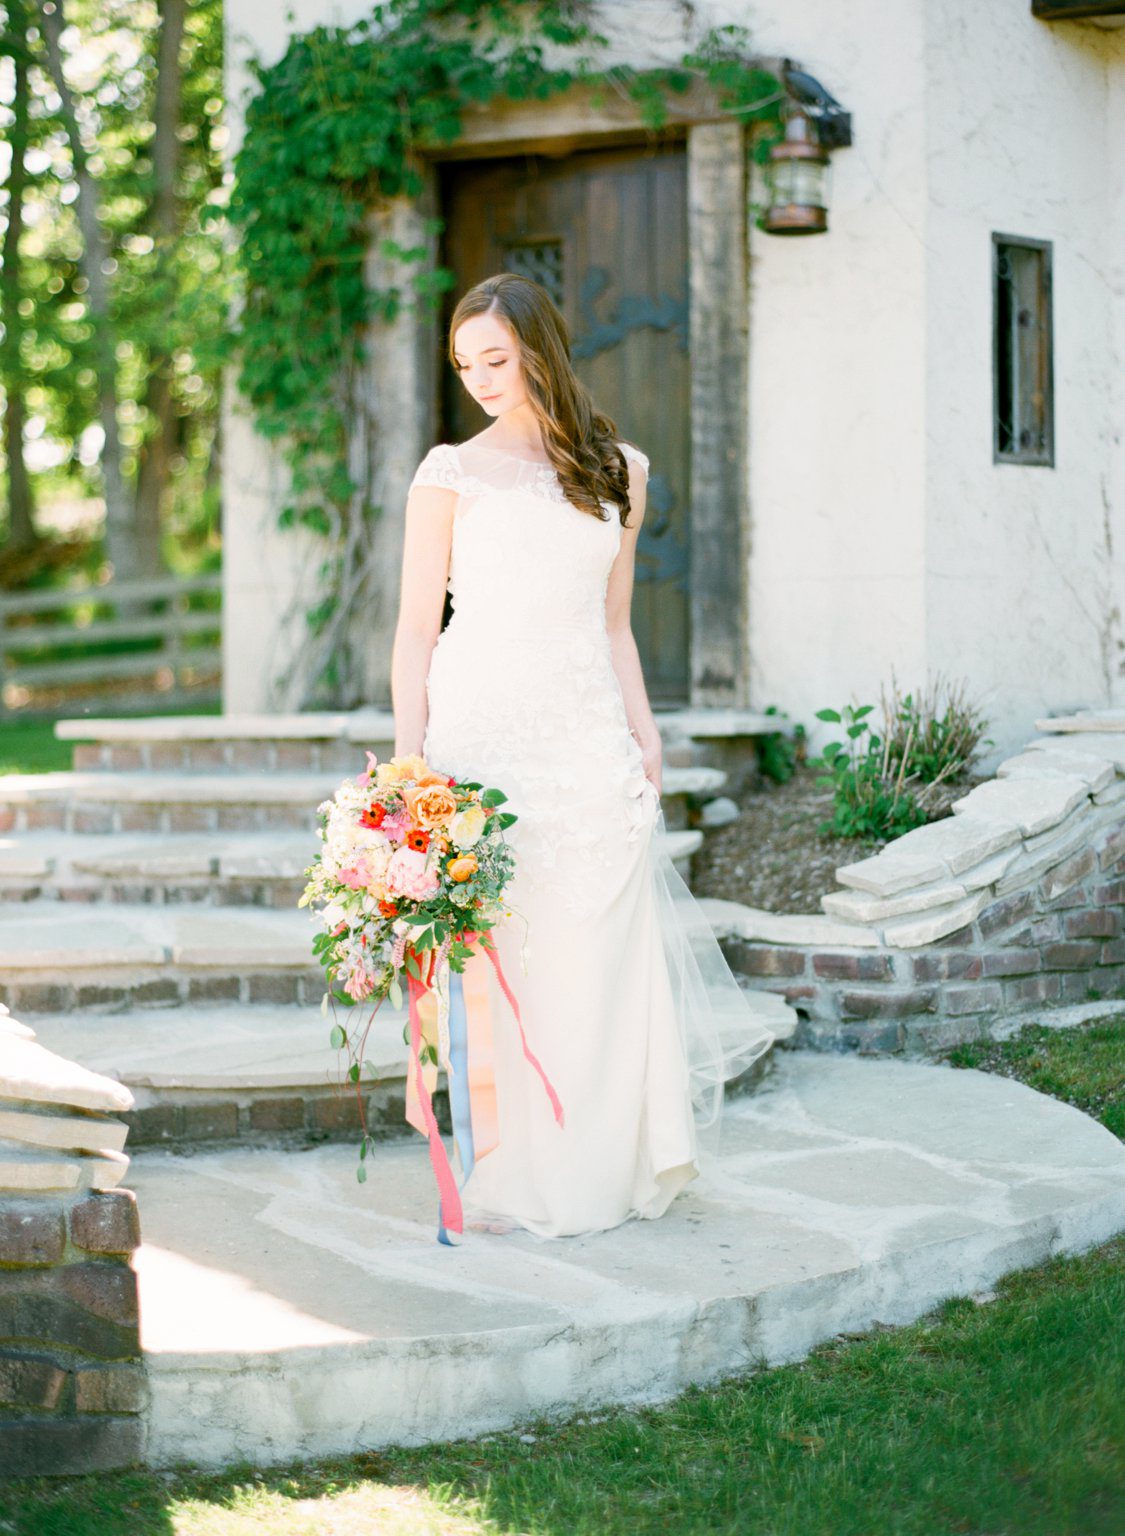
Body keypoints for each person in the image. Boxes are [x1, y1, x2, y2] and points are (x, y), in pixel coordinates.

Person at [392, 272, 773, 1239]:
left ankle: (604, 1164)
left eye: (497, 359)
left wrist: (643, 731)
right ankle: (519, 1169)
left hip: (584, 735)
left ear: (539, 352)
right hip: (481, 736)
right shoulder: (447, 475)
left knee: (593, 952)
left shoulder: (621, 471)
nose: (479, 378)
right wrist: (410, 765)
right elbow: (413, 636)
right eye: (463, 363)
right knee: (507, 955)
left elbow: (614, 627)